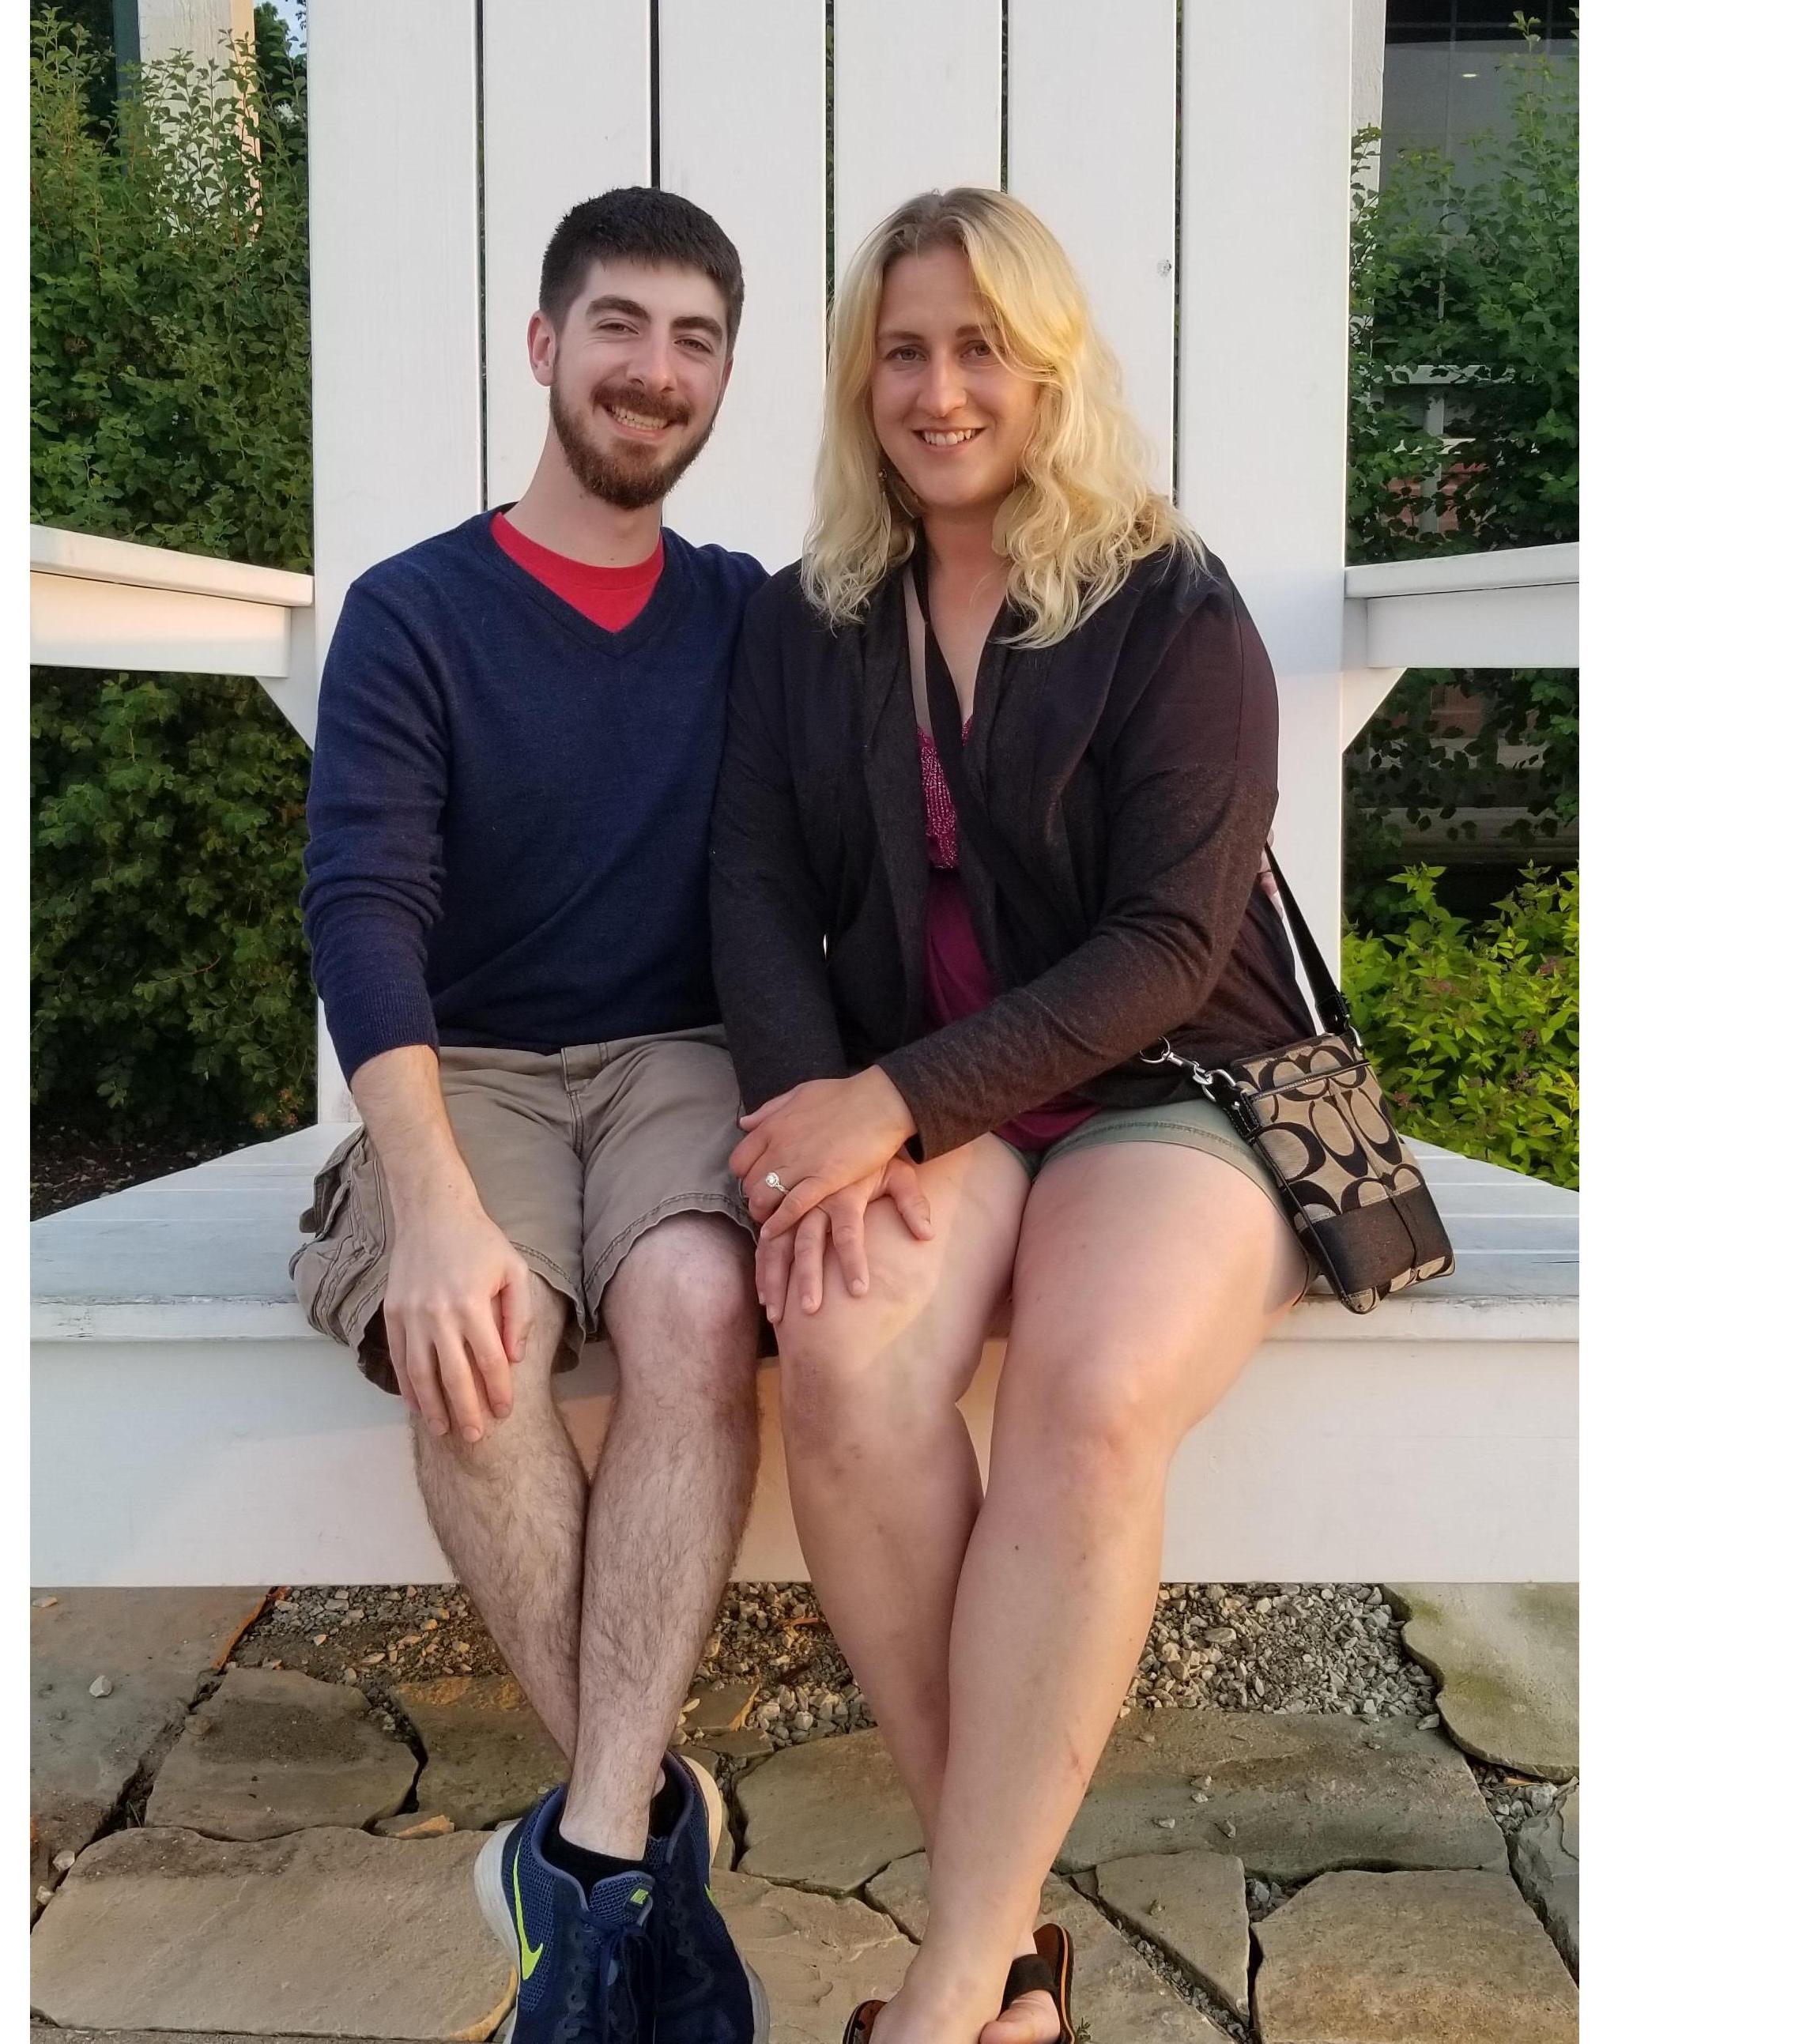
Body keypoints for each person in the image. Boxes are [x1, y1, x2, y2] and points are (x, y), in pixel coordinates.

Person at [709, 188, 1316, 2044]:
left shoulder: (1170, 603)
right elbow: (753, 884)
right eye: (903, 351)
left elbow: (1169, 945)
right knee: (840, 1356)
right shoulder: (812, 619)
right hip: (928, 1103)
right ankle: (1007, 1952)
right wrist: (809, 1124)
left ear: (1050, 370)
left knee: (1094, 1390)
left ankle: (952, 1986)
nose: (941, 389)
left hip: (1164, 1080)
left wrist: (890, 1103)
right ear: (860, 383)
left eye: (981, 347)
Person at [300, 187, 771, 2044]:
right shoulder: (416, 614)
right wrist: (427, 1204)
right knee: (476, 1339)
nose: (654, 371)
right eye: (620, 326)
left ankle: (575, 1858)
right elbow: (364, 905)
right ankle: (640, 1837)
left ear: (721, 376)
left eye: (695, 339)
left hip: (679, 1052)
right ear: (545, 346)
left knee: (698, 1306)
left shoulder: (747, 619)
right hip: (471, 1061)